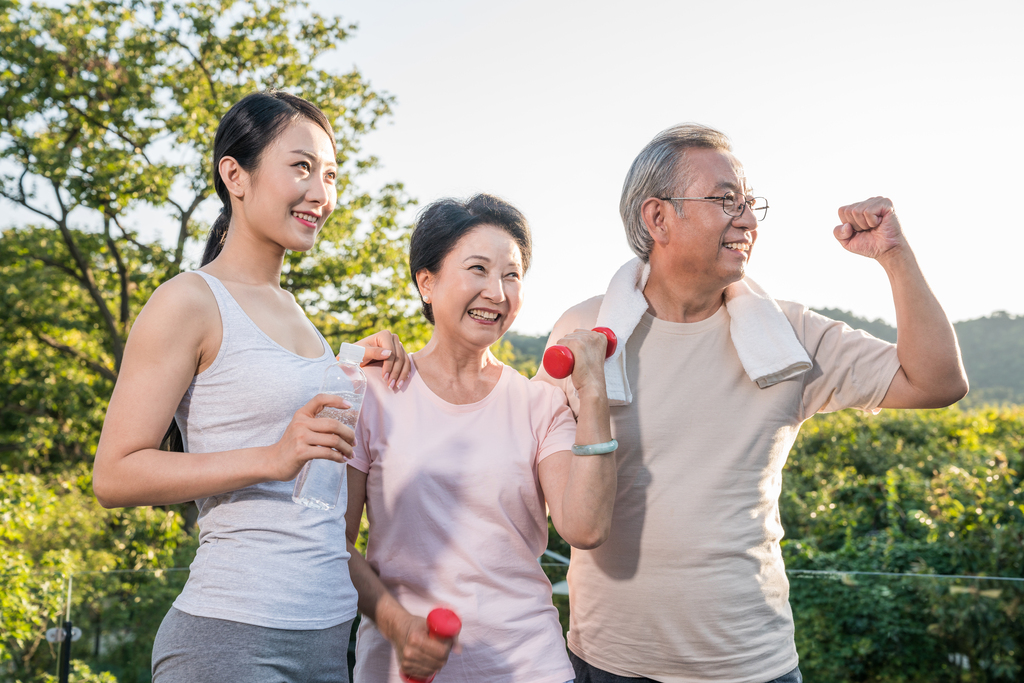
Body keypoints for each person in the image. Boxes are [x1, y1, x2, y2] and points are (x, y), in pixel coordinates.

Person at [535, 124, 969, 683]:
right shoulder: (583, 331)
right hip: (608, 660)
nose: (747, 219)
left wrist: (895, 255)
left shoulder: (789, 335)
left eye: (749, 203)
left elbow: (937, 382)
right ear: (658, 217)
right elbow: (533, 463)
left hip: (751, 665)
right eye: (724, 201)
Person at [92, 90, 410, 683]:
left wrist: (360, 358)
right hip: (231, 640)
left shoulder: (295, 313)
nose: (322, 192)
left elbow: (290, 423)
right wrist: (272, 457)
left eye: (332, 175)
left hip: (324, 640)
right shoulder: (188, 300)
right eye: (301, 167)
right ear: (235, 175)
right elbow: (115, 474)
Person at [344, 194, 617, 683]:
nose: (497, 291)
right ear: (426, 283)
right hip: (402, 666)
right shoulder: (373, 393)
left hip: (528, 664)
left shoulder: (540, 403)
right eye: (478, 269)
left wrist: (593, 391)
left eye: (512, 275)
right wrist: (397, 624)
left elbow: (584, 527)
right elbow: (334, 542)